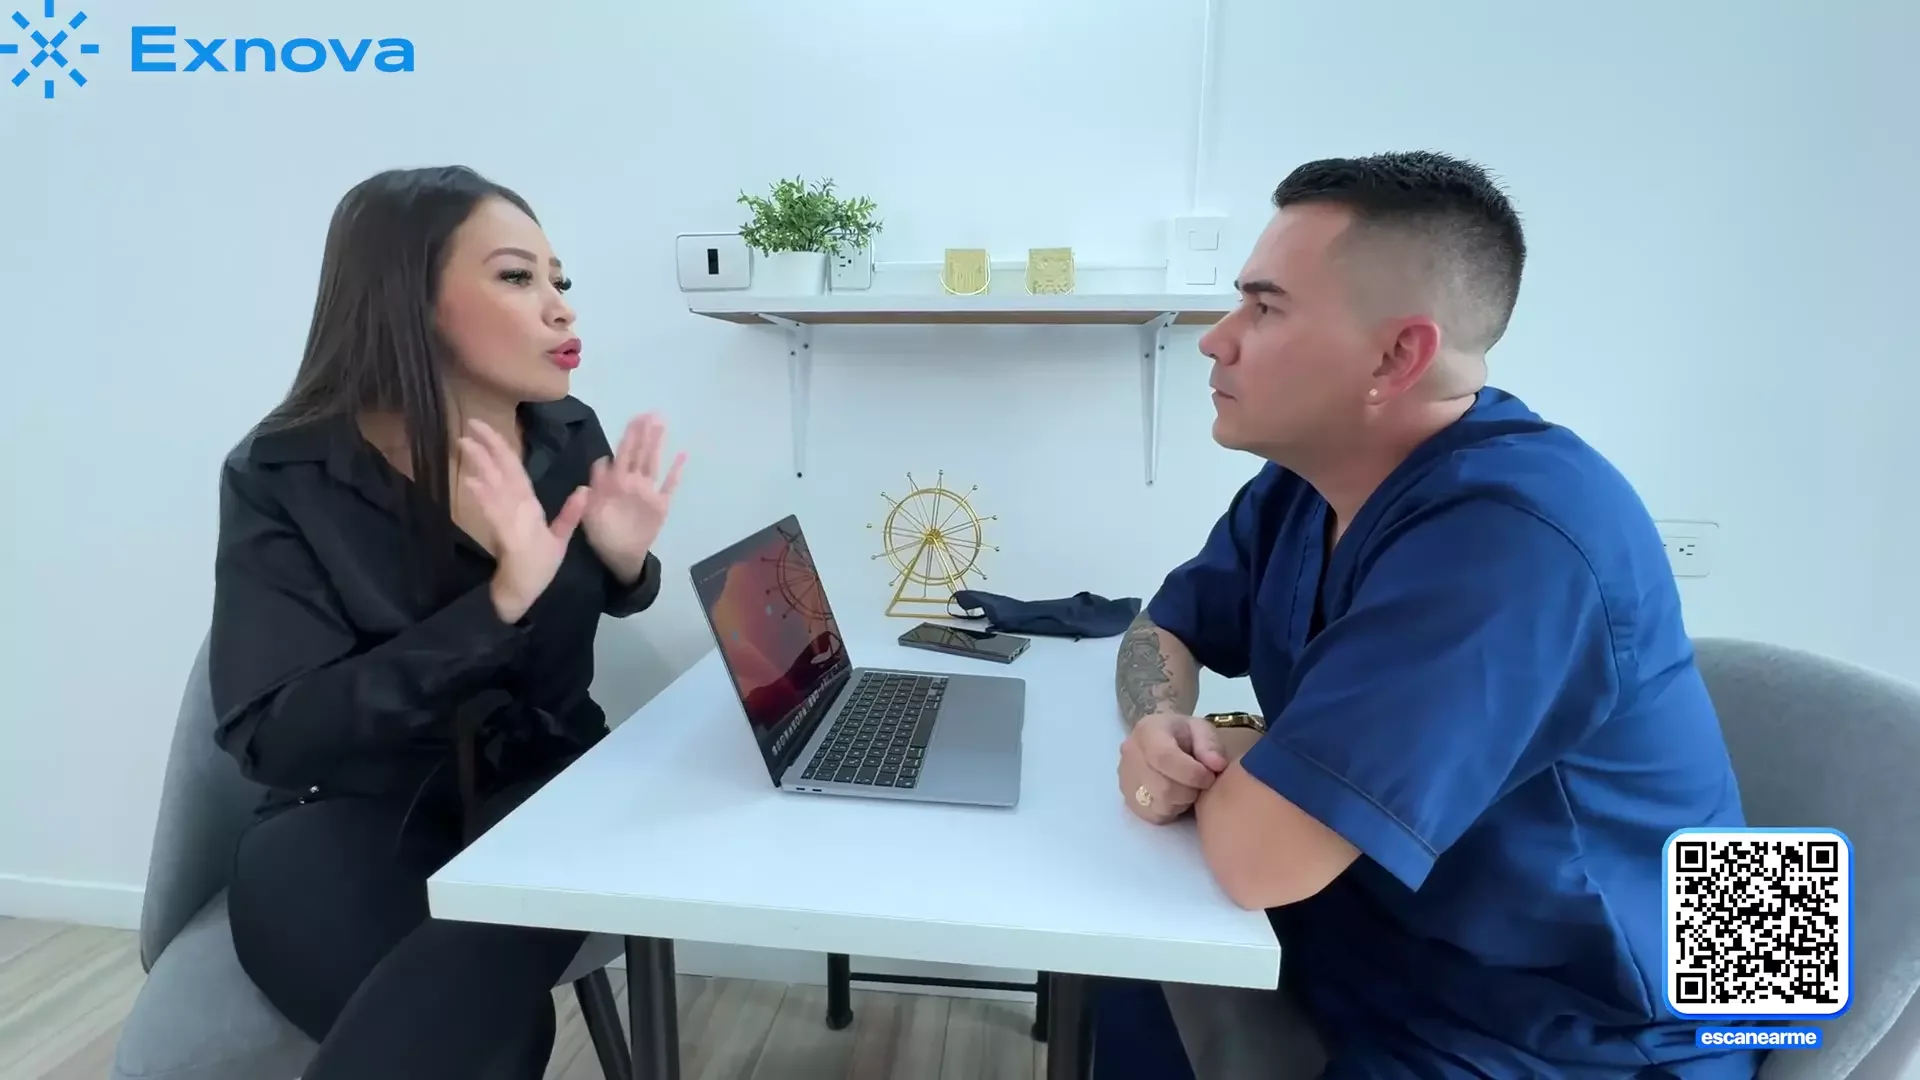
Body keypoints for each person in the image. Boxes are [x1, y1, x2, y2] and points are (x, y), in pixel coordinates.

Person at [1112, 152, 1759, 1079]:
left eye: (1264, 307)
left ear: (1397, 356)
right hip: (1387, 939)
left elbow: (1262, 859)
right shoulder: (1310, 480)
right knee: (1129, 970)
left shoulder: (1513, 538)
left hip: (1584, 1034)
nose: (1217, 340)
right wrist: (1159, 722)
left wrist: (1233, 742)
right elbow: (1162, 627)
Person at [210, 165, 687, 1079]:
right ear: (410, 300)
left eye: (559, 280)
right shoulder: (285, 474)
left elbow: (594, 599)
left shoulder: (568, 432)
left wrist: (625, 563)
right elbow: (274, 734)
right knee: (495, 1040)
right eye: (517, 277)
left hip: (552, 791)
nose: (560, 307)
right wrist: (498, 603)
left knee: (487, 1020)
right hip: (354, 814)